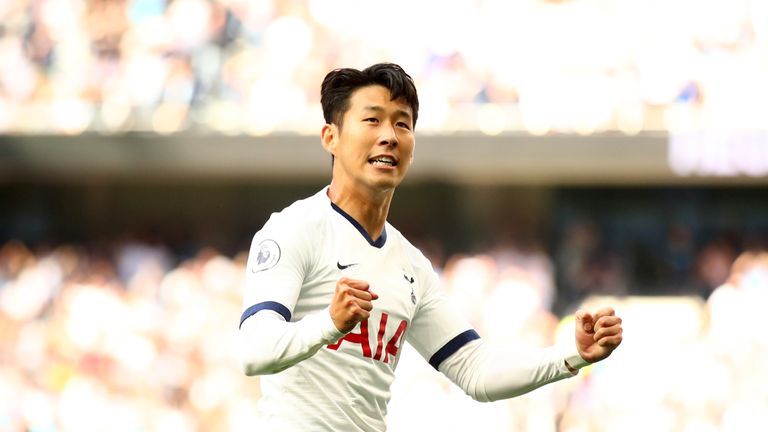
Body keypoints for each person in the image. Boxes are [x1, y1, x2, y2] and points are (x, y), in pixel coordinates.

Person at [238, 63, 623, 431]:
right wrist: (330, 323)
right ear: (331, 138)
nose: (389, 135)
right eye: (372, 120)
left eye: (401, 123)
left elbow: (476, 370)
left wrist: (571, 355)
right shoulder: (294, 229)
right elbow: (254, 351)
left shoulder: (411, 266)